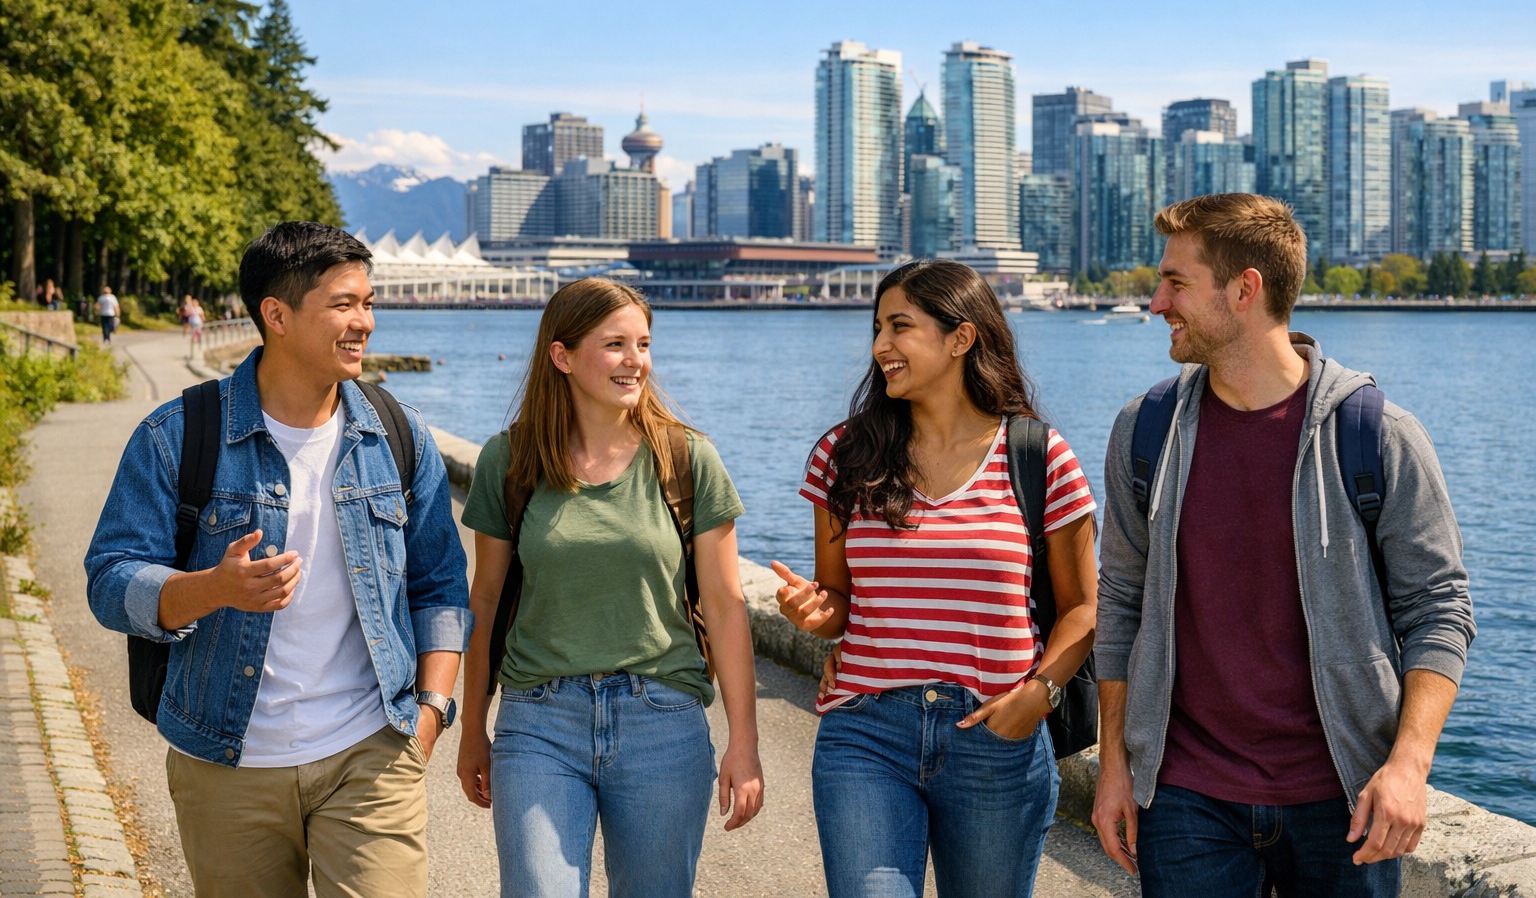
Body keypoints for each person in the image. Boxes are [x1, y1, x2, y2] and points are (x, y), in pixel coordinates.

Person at [1092, 194, 1476, 897]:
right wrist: (1116, 766)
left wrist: (1408, 766)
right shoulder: (1143, 432)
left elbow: (1439, 610)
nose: (1155, 302)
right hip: (1185, 797)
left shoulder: (1378, 435)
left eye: (1176, 282)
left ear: (1245, 290)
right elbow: (1119, 605)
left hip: (1343, 797)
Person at [84, 222, 470, 898]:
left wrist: (430, 713)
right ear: (277, 315)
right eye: (344, 305)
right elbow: (110, 579)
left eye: (369, 303)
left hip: (370, 753)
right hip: (226, 760)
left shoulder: (397, 435)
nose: (364, 323)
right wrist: (211, 588)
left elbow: (439, 584)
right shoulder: (178, 436)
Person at [774, 259, 1099, 898]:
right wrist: (812, 612)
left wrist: (1040, 693)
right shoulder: (843, 455)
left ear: (961, 337)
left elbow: (1084, 607)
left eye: (899, 326)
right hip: (866, 731)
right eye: (876, 328)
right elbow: (838, 600)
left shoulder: (1038, 455)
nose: (879, 347)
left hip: (996, 738)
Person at [455, 276, 763, 898]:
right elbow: (484, 602)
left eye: (643, 344)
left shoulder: (688, 459)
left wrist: (745, 744)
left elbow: (728, 608)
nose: (635, 361)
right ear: (562, 356)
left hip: (662, 721)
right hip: (539, 721)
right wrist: (471, 732)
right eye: (615, 344)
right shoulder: (509, 462)